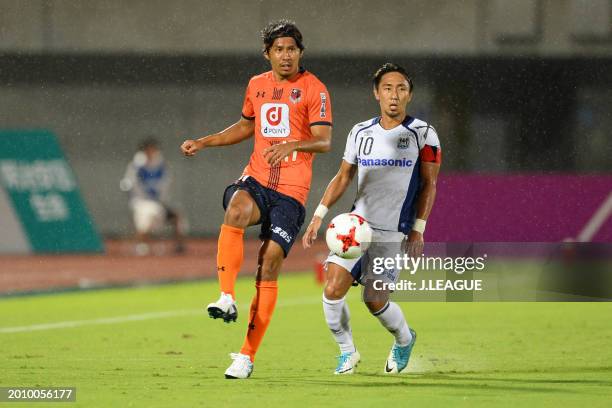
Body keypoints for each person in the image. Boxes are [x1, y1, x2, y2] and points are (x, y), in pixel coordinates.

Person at [180, 20, 333, 379]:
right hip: (259, 178)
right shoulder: (256, 85)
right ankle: (226, 297)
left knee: (269, 264)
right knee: (236, 209)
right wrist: (204, 142)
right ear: (267, 53)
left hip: (292, 192)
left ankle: (246, 355)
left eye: (292, 49)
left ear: (300, 53)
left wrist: (293, 144)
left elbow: (324, 141)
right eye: (278, 49)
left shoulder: (315, 89)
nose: (285, 56)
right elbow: (247, 125)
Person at [302, 63, 442, 375]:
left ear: (409, 95)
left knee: (374, 299)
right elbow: (342, 177)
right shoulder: (360, 132)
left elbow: (430, 184)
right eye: (388, 88)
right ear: (376, 93)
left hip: (393, 232)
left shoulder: (424, 134)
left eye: (401, 89)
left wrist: (418, 230)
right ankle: (347, 352)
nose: (394, 95)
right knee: (332, 288)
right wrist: (318, 215)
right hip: (357, 227)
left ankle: (405, 339)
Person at [121, 137, 186, 255]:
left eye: (154, 149)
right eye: (149, 150)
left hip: (159, 202)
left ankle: (179, 245)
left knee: (177, 216)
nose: (152, 152)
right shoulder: (137, 166)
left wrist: (159, 197)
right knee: (146, 217)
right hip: (141, 202)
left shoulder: (161, 165)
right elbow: (129, 185)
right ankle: (142, 244)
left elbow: (166, 184)